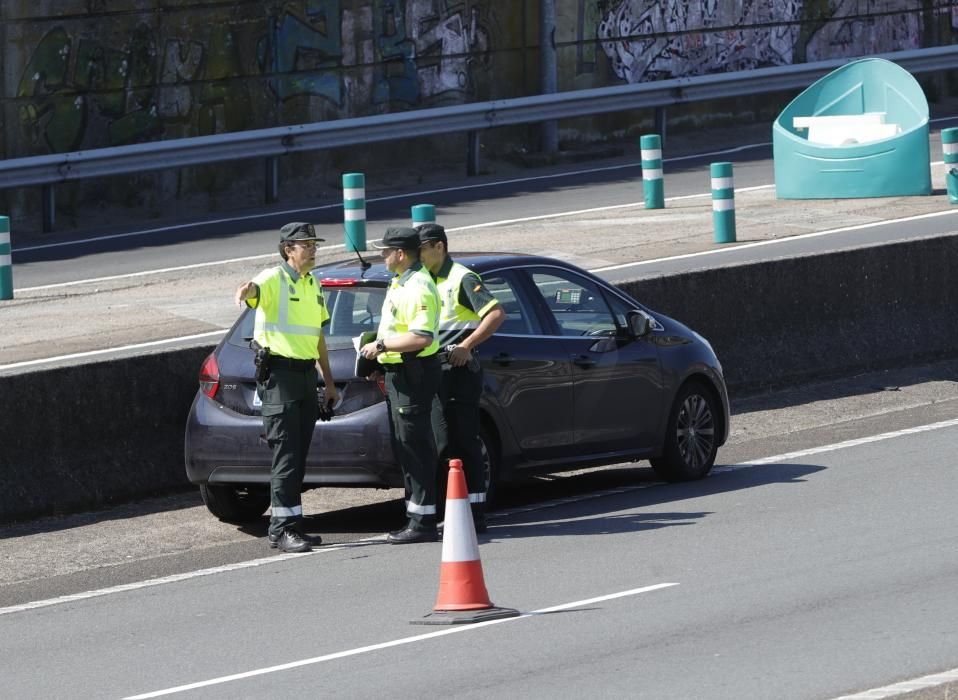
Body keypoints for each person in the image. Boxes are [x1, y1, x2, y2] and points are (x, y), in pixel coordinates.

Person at [234, 222, 338, 553]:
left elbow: (318, 337)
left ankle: (292, 524)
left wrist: (329, 381)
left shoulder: (313, 284)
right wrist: (246, 289)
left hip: (306, 376)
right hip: (280, 376)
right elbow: (253, 291)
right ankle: (282, 529)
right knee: (286, 455)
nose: (312, 249)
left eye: (314, 244)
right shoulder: (272, 278)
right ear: (287, 250)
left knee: (298, 455)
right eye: (305, 245)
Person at [417, 223, 505, 532]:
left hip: (457, 372)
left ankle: (475, 513)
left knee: (463, 441)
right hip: (432, 372)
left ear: (438, 247)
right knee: (442, 444)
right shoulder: (423, 279)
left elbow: (495, 314)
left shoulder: (462, 278)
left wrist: (467, 346)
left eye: (421, 248)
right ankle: (453, 512)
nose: (417, 255)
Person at [360, 227, 442, 544]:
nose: (382, 256)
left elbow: (421, 337)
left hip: (414, 373)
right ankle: (415, 515)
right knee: (404, 445)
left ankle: (423, 522)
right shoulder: (400, 281)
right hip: (399, 373)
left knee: (415, 446)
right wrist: (380, 361)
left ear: (401, 254)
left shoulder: (418, 286)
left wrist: (381, 347)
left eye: (385, 251)